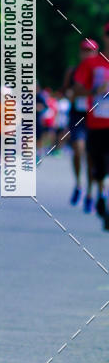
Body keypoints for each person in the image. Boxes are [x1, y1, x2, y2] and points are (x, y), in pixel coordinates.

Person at [73, 25, 109, 230]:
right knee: (99, 167)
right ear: (105, 36)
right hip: (96, 123)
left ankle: (103, 198)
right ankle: (99, 194)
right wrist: (96, 90)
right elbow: (77, 91)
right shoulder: (92, 64)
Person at [61, 39, 98, 209]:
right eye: (84, 51)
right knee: (78, 149)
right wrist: (71, 94)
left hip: (94, 116)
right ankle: (78, 184)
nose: (87, 54)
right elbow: (66, 90)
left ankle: (90, 192)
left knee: (91, 156)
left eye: (90, 51)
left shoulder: (100, 71)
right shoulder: (73, 71)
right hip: (77, 115)